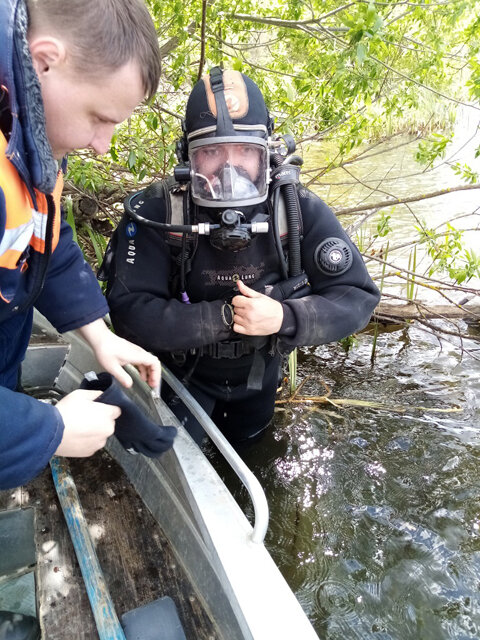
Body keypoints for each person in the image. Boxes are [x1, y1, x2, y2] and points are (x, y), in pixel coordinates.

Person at [103, 67, 381, 447]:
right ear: (188, 157)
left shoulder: (294, 209)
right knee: (183, 469)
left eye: (245, 151)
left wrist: (286, 316)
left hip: (258, 380)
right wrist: (224, 318)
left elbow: (357, 297)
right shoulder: (159, 211)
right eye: (212, 151)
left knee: (252, 451)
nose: (229, 168)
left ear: (267, 153)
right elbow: (129, 311)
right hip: (182, 380)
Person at [0, 0, 165, 495]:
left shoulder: (27, 136)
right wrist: (48, 430)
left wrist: (99, 335)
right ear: (44, 61)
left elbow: (44, 239)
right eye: (100, 118)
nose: (103, 145)